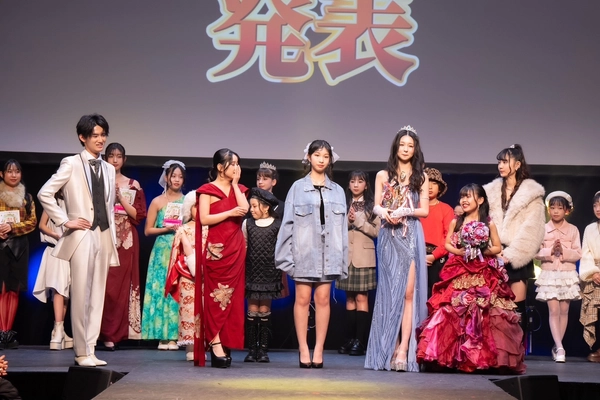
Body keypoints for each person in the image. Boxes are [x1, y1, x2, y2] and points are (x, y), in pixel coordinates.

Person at [417, 183, 525, 373]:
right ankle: (454, 358)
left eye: (469, 196)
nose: (464, 200)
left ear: (481, 200)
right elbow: (447, 244)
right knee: (453, 309)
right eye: (462, 197)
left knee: (485, 311)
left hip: (483, 270)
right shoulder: (456, 222)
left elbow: (497, 247)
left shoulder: (488, 223)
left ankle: (482, 359)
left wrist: (481, 249)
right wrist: (459, 251)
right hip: (460, 269)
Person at [38, 114, 118, 367]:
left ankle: (90, 349)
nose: (100, 140)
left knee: (97, 295)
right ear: (82, 137)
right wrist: (65, 221)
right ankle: (81, 352)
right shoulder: (71, 163)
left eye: (103, 135)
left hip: (103, 234)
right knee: (81, 292)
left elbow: (108, 206)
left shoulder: (108, 168)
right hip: (82, 235)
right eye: (95, 135)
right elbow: (45, 193)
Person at [276, 140, 348, 369]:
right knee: (302, 299)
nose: (321, 160)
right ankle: (303, 348)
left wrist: (343, 260)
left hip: (329, 254)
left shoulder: (337, 190)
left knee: (323, 299)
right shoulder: (297, 188)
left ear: (330, 159)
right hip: (304, 253)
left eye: (325, 156)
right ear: (308, 157)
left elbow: (342, 229)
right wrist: (285, 257)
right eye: (317, 155)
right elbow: (287, 224)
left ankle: (319, 349)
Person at [365, 126, 429, 372]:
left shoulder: (421, 177)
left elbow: (425, 211)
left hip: (410, 233)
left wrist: (405, 210)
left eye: (410, 146)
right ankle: (388, 348)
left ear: (415, 150)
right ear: (396, 147)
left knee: (408, 293)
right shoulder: (383, 175)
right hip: (388, 235)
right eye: (402, 144)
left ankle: (404, 349)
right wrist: (385, 212)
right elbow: (376, 206)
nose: (406, 149)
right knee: (389, 293)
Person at [483, 144, 545, 337]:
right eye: (499, 162)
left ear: (517, 165)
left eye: (505, 161)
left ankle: (516, 351)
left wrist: (510, 255)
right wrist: (492, 249)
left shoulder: (532, 195)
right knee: (493, 307)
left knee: (516, 310)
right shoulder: (490, 192)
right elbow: (482, 222)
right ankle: (495, 350)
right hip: (493, 254)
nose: (500, 166)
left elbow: (532, 230)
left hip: (516, 256)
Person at [195, 149, 249, 367]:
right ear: (220, 167)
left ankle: (226, 341)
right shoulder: (207, 190)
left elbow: (244, 209)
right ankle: (214, 342)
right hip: (216, 250)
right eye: (232, 163)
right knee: (214, 298)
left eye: (237, 163)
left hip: (236, 248)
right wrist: (228, 213)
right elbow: (204, 218)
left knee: (233, 300)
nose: (236, 167)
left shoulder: (240, 189)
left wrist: (235, 184)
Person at [100, 143, 146, 351]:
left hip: (126, 238)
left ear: (124, 159)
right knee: (104, 286)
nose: (115, 160)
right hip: (103, 236)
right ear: (105, 158)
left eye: (119, 156)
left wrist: (120, 197)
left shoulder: (133, 184)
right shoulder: (98, 182)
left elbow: (139, 215)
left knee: (122, 286)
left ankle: (117, 334)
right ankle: (101, 332)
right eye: (111, 156)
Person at [141, 161, 185, 350]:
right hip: (161, 251)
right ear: (166, 178)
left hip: (180, 248)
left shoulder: (188, 201)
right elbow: (147, 230)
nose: (176, 179)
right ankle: (160, 335)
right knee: (160, 290)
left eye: (180, 176)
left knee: (176, 290)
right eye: (173, 176)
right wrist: (166, 229)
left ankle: (174, 336)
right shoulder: (157, 201)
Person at [534, 191, 581, 363]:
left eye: (559, 208)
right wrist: (550, 250)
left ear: (567, 210)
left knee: (564, 311)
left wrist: (564, 251)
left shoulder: (573, 230)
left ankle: (557, 346)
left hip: (567, 275)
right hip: (549, 274)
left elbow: (578, 253)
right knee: (553, 311)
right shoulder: (542, 229)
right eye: (552, 208)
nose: (555, 211)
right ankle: (560, 347)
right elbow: (536, 252)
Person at [337, 171, 380, 356]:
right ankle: (349, 339)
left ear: (366, 185)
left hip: (364, 257)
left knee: (362, 298)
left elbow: (377, 232)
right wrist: (347, 221)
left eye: (360, 181)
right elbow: (335, 228)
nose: (356, 185)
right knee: (349, 298)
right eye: (352, 181)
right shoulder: (342, 203)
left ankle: (360, 341)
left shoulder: (373, 205)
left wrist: (360, 221)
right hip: (346, 256)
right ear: (348, 184)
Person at [242, 187, 282, 363]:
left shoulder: (277, 225)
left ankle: (263, 349)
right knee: (252, 310)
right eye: (250, 206)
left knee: (264, 310)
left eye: (254, 206)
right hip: (252, 272)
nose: (251, 210)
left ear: (265, 208)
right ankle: (252, 349)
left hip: (269, 273)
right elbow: (244, 245)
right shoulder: (247, 224)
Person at [0, 160, 37, 349]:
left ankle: (8, 333)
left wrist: (12, 227)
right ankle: (1, 332)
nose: (13, 175)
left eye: (17, 171)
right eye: (9, 171)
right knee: (1, 289)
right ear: (1, 174)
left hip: (19, 247)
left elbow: (32, 222)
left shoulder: (27, 198)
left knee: (13, 290)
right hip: (0, 245)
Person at [165, 191, 202, 362]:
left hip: (206, 274)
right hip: (187, 274)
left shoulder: (210, 228)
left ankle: (204, 345)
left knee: (204, 310)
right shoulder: (183, 229)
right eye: (195, 206)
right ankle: (190, 347)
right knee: (188, 310)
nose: (198, 210)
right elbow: (176, 252)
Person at [32, 206, 74, 350]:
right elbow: (42, 225)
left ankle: (59, 331)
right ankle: (58, 332)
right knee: (58, 289)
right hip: (55, 249)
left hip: (70, 250)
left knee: (66, 291)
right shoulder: (52, 203)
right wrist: (55, 235)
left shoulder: (74, 203)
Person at [421, 168, 454, 298]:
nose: (429, 186)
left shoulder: (446, 209)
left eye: (434, 183)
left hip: (437, 258)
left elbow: (449, 238)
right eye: (427, 182)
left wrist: (433, 256)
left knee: (436, 296)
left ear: (439, 188)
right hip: (416, 255)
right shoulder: (415, 208)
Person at [579, 191, 600, 362]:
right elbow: (585, 253)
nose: (598, 209)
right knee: (596, 312)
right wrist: (593, 272)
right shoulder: (590, 229)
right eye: (595, 205)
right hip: (596, 273)